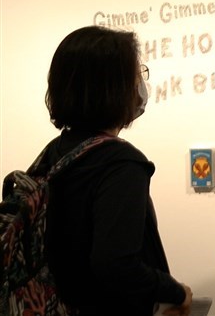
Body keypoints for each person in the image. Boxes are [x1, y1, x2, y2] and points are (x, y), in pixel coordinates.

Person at [39, 26, 192, 315]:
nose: (141, 84)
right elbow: (116, 263)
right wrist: (175, 291)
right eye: (137, 74)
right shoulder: (121, 163)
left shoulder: (54, 153)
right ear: (114, 87)